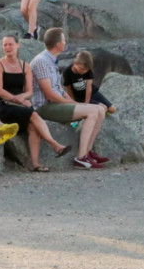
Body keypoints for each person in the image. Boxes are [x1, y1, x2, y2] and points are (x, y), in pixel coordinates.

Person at [30, 28, 109, 167]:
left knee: (101, 110)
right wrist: (72, 104)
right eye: (64, 40)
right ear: (58, 44)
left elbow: (59, 88)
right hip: (44, 107)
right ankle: (81, 158)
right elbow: (49, 95)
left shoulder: (52, 61)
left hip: (56, 104)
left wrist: (74, 103)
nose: (65, 42)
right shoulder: (41, 61)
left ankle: (88, 152)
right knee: (92, 111)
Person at [0, 36, 68, 171]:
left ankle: (35, 164)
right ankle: (54, 144)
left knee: (33, 125)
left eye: (10, 44)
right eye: (5, 45)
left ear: (18, 45)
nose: (7, 47)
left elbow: (29, 91)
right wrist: (17, 99)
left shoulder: (25, 66)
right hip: (4, 106)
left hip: (21, 105)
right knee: (33, 115)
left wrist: (22, 98)